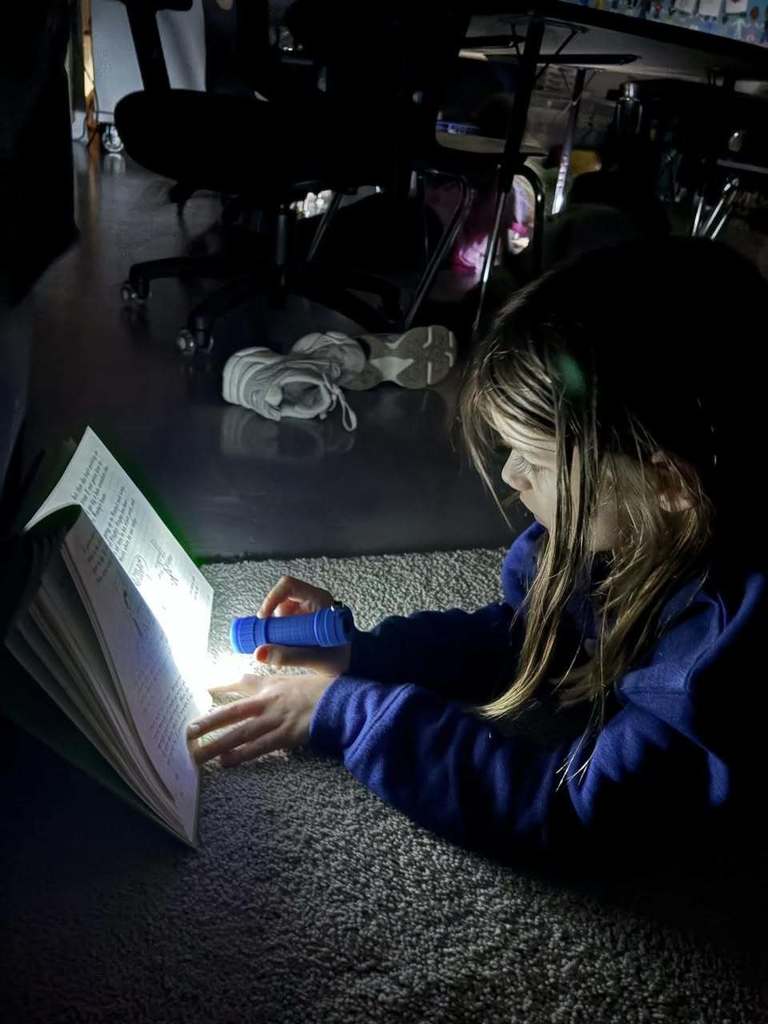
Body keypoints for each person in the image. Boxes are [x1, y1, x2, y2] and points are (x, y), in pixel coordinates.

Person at [187, 238, 768, 867]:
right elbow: (526, 641)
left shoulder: (720, 652)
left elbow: (572, 814)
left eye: (538, 462)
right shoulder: (624, 530)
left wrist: (347, 713)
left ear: (668, 484)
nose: (514, 478)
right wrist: (365, 654)